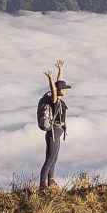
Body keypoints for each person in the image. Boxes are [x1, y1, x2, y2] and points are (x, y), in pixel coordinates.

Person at [39, 59, 71, 190]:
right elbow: (55, 89)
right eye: (63, 89)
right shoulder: (54, 99)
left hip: (57, 132)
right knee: (50, 159)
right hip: (53, 132)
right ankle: (42, 185)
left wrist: (61, 71)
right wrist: (50, 80)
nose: (65, 90)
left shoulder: (59, 98)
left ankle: (51, 181)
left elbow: (58, 85)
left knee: (54, 158)